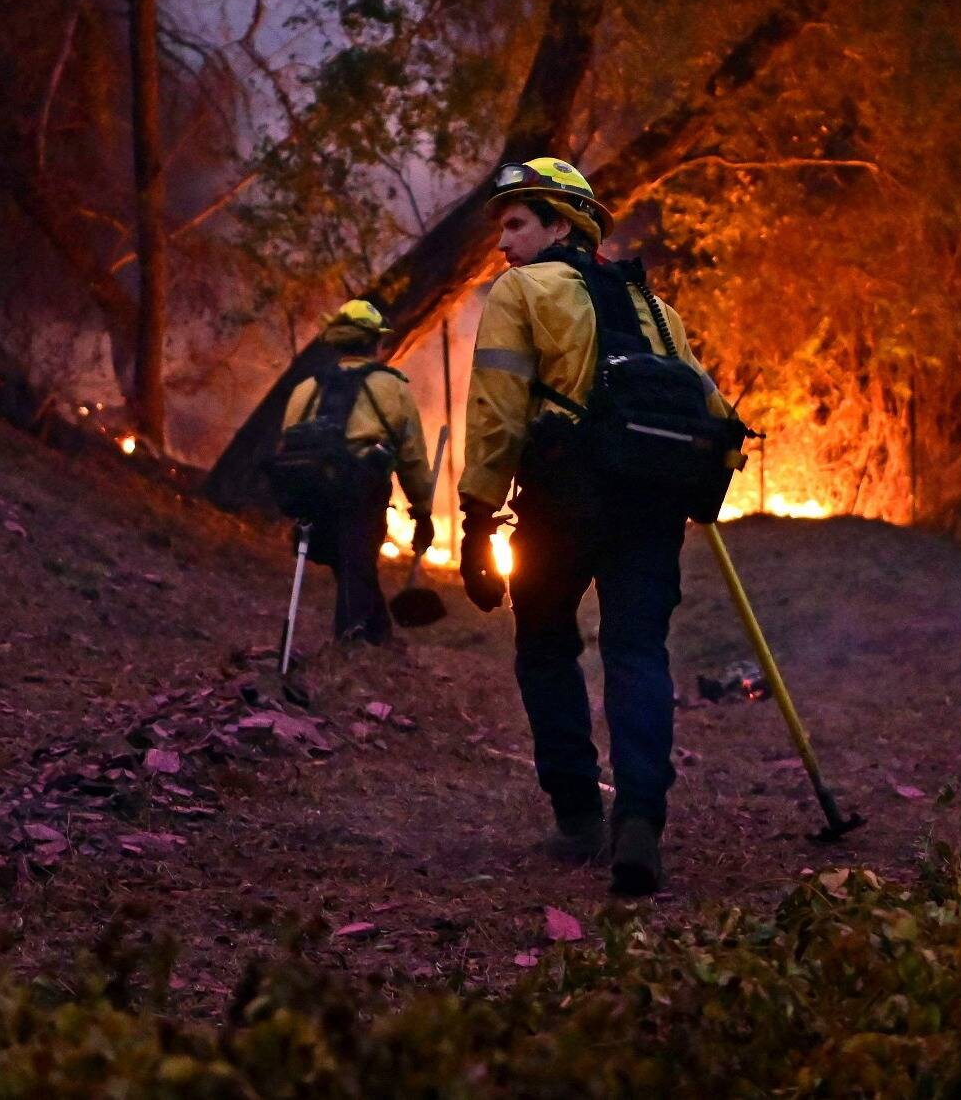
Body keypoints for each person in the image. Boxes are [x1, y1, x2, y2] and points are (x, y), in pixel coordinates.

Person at [457, 157, 735, 896]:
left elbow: (496, 411)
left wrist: (477, 515)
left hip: (563, 497)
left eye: (517, 222)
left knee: (547, 645)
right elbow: (712, 410)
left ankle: (580, 815)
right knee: (638, 651)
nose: (505, 242)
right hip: (652, 501)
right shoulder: (655, 307)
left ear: (562, 224)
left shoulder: (521, 290)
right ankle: (640, 817)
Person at [279, 299, 435, 646]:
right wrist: (422, 512)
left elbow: (288, 446)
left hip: (312, 494)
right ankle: (356, 642)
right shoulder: (391, 388)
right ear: (375, 343)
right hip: (361, 494)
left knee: (353, 566)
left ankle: (376, 637)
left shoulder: (305, 389)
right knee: (357, 564)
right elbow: (412, 459)